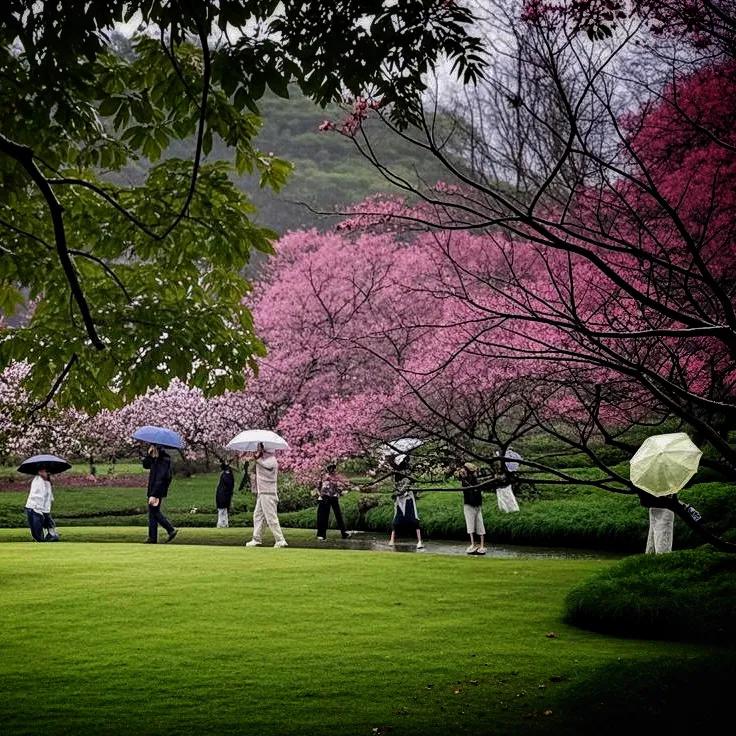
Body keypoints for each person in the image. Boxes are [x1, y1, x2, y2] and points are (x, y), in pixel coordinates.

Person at [245, 443, 288, 548]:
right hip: (262, 492)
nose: (259, 449)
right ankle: (256, 538)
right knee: (258, 515)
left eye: (261, 447)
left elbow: (267, 466)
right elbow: (254, 469)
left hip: (268, 493)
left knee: (271, 517)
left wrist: (256, 459)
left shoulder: (271, 460)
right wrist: (255, 460)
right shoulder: (262, 460)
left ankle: (280, 539)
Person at [141, 444, 178, 544]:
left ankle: (170, 529)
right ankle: (152, 537)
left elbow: (160, 478)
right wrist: (149, 455)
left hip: (157, 490)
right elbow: (145, 465)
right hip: (153, 489)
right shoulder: (155, 458)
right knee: (152, 513)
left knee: (154, 512)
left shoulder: (164, 460)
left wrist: (154, 494)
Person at [388, 454, 424, 550]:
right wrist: (395, 493)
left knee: (414, 519)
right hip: (399, 500)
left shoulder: (407, 472)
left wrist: (398, 493)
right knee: (396, 520)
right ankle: (392, 539)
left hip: (408, 498)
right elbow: (394, 486)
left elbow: (407, 485)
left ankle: (419, 541)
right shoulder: (395, 474)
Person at [314, 462, 351, 540]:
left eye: (333, 468)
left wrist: (341, 490)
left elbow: (339, 487)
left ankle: (344, 533)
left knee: (338, 515)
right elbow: (318, 485)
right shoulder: (323, 476)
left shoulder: (336, 477)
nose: (332, 469)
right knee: (323, 516)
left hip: (334, 496)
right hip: (325, 497)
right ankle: (321, 534)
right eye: (331, 468)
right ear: (328, 468)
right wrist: (320, 495)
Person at [457, 462, 486, 555]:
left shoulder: (473, 479)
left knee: (478, 524)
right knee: (471, 525)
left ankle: (480, 545)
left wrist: (463, 478)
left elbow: (472, 488)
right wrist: (463, 478)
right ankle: (474, 544)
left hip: (474, 505)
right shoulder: (466, 480)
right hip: (470, 504)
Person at [24, 466, 55, 542]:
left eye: (45, 472)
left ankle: (47, 538)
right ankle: (40, 540)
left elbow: (48, 499)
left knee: (39, 529)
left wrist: (45, 511)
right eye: (41, 471)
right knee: (34, 530)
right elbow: (36, 495)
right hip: (32, 507)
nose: (44, 473)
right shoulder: (37, 480)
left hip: (40, 509)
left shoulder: (47, 483)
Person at [215, 461, 235, 528]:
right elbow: (230, 484)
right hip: (224, 495)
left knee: (222, 511)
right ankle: (223, 524)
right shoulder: (227, 475)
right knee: (223, 510)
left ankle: (222, 524)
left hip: (222, 495)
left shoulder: (224, 475)